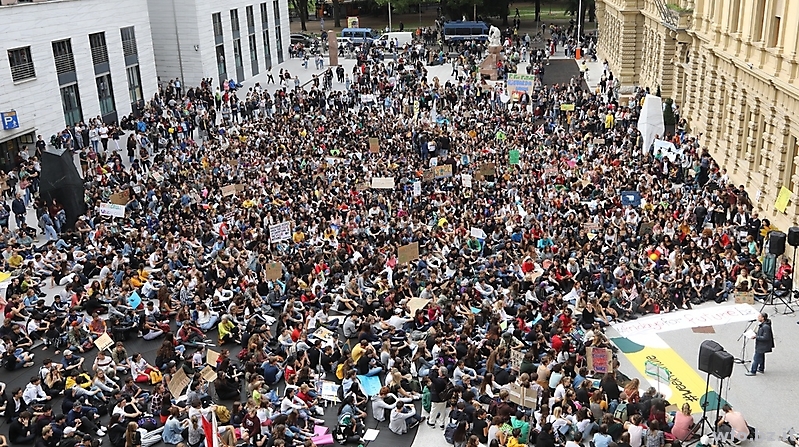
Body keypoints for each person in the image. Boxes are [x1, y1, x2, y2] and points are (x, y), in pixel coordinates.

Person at [746, 311, 773, 375]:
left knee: (756, 358)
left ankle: (753, 371)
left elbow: (766, 337)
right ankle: (761, 368)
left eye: (759, 316)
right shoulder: (763, 325)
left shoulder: (765, 327)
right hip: (761, 345)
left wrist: (756, 337)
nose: (758, 317)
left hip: (762, 345)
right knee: (761, 357)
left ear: (763, 318)